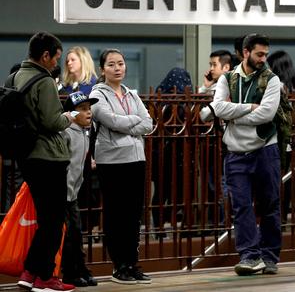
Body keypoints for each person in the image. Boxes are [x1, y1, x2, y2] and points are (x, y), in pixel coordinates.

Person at [201, 34, 282, 276]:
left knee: (270, 205)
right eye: (259, 54)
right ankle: (249, 256)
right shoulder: (227, 78)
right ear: (245, 52)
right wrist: (247, 108)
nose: (263, 59)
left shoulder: (272, 80)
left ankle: (269, 256)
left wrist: (231, 115)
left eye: (266, 54)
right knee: (241, 206)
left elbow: (266, 115)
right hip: (235, 152)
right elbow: (217, 107)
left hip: (266, 149)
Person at [13, 32, 76, 292]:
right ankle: (45, 278)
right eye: (55, 58)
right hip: (49, 157)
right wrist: (70, 117)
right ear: (45, 55)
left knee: (46, 219)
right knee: (53, 221)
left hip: (26, 156)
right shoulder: (45, 81)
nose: (56, 64)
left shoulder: (16, 76)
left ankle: (29, 272)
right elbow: (53, 121)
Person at [90, 48, 153, 284]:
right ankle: (119, 266)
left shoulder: (131, 93)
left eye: (121, 64)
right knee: (116, 214)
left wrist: (130, 124)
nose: (117, 68)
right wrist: (134, 123)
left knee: (133, 215)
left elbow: (148, 122)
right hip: (112, 161)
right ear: (102, 69)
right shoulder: (97, 94)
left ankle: (131, 262)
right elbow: (110, 120)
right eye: (111, 64)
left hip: (136, 159)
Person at [61, 91, 99, 288]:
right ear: (72, 114)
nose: (88, 113)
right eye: (83, 109)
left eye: (89, 108)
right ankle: (69, 273)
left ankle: (80, 269)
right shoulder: (66, 132)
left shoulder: (85, 131)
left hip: (73, 193)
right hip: (62, 193)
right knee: (68, 235)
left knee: (76, 233)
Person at [152, 68, 193, 234]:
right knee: (168, 192)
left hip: (171, 155)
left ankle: (162, 227)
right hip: (170, 155)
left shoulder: (160, 101)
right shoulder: (165, 103)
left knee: (167, 193)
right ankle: (166, 226)